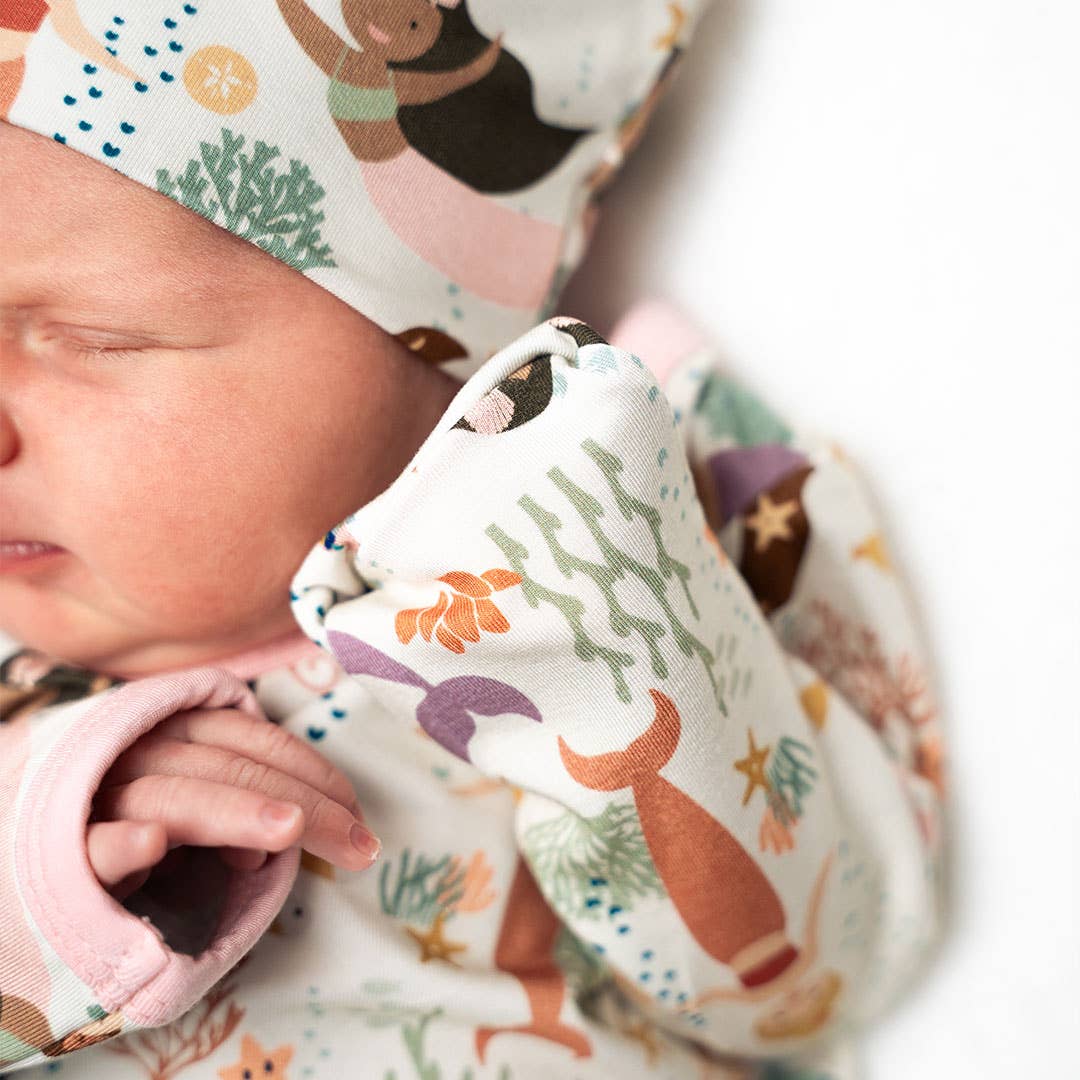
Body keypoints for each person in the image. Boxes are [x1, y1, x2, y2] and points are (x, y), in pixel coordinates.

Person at [0, 3, 945, 1077]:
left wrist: (616, 621)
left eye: (91, 337)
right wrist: (40, 857)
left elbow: (833, 980)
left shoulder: (672, 500)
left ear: (439, 347)